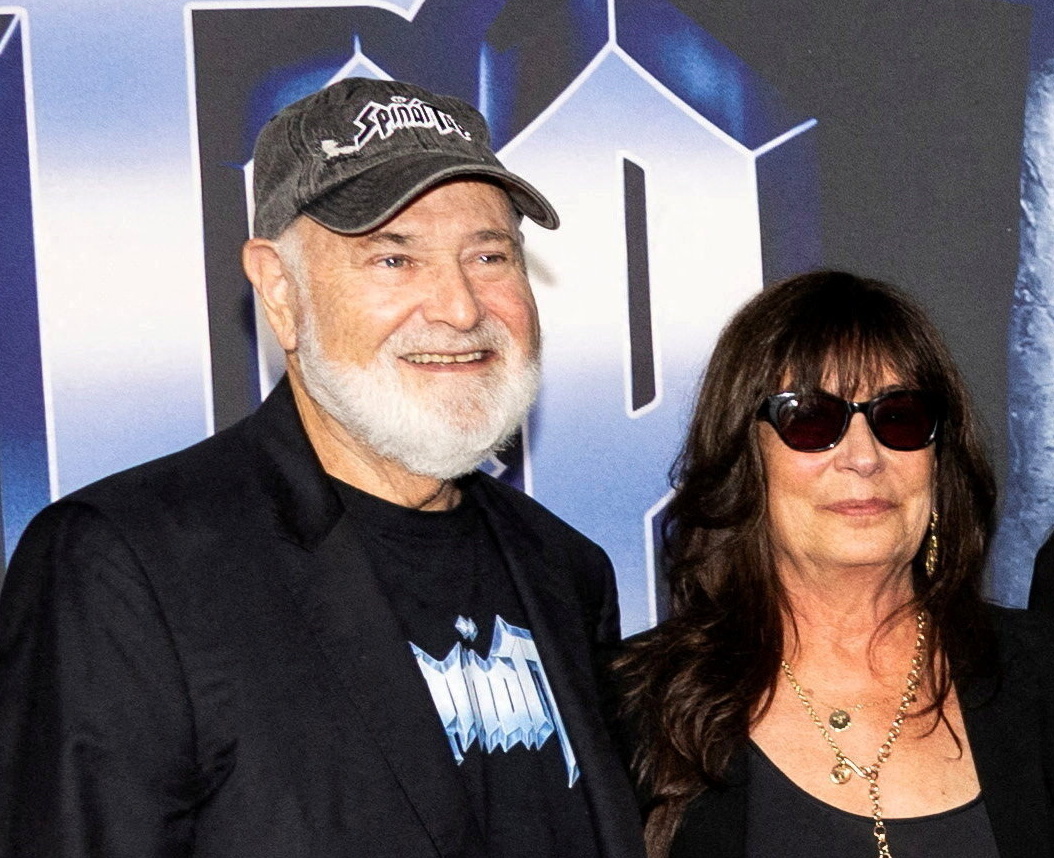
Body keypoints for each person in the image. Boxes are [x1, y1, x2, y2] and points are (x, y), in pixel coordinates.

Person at [0, 77, 644, 858]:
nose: (461, 306)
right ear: (280, 289)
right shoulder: (126, 567)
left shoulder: (567, 572)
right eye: (393, 259)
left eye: (488, 254)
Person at [615, 270, 1054, 858]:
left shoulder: (1040, 673)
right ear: (744, 456)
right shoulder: (634, 708)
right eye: (811, 420)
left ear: (938, 459)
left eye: (899, 417)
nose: (863, 456)